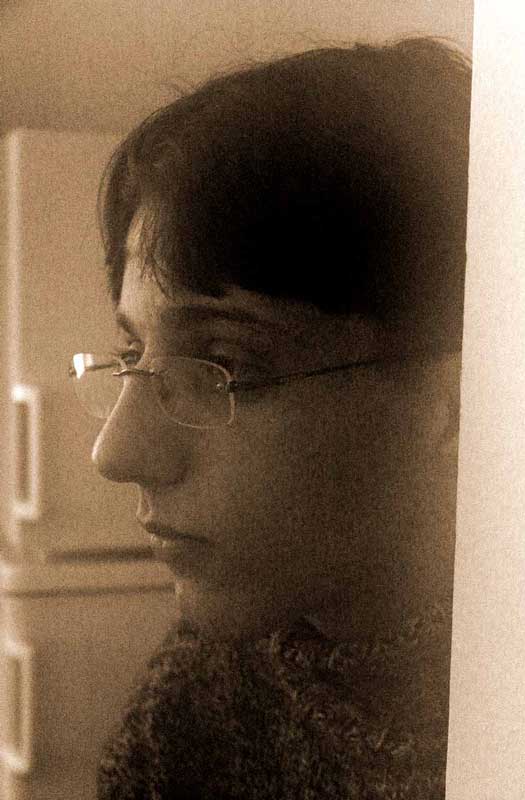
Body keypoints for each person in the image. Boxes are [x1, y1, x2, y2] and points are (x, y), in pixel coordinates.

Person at [70, 35, 470, 799]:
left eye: (223, 363)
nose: (114, 452)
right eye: (131, 354)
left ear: (448, 404)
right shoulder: (196, 700)